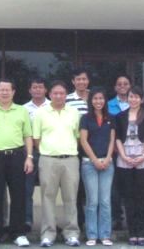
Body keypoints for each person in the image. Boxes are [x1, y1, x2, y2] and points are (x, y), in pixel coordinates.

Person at [0, 78, 34, 248]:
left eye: (7, 89)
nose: (4, 92)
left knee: (18, 195)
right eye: (1, 89)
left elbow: (28, 135)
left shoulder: (22, 111)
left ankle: (18, 233)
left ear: (13, 92)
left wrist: (29, 157)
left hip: (17, 156)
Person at [33, 80, 81, 248]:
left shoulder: (74, 112)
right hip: (48, 159)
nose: (59, 96)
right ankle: (48, 234)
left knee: (71, 197)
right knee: (47, 197)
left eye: (62, 93)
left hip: (70, 160)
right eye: (55, 93)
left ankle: (71, 233)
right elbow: (36, 138)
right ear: (50, 94)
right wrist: (48, 151)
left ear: (66, 95)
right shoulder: (41, 112)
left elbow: (77, 136)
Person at [115, 85, 144, 247]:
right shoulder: (120, 116)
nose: (133, 99)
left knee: (142, 196)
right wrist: (124, 156)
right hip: (124, 158)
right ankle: (132, 233)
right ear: (127, 98)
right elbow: (117, 138)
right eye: (131, 96)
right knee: (129, 197)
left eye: (137, 97)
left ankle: (141, 232)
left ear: (142, 99)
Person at [80, 87, 116, 246]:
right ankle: (92, 235)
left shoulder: (111, 118)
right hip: (89, 163)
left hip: (107, 163)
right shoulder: (85, 118)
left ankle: (105, 235)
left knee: (105, 201)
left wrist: (108, 158)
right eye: (95, 98)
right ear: (91, 101)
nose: (98, 101)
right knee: (92, 201)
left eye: (101, 98)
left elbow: (112, 140)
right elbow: (83, 141)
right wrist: (94, 160)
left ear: (105, 100)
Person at [24, 77, 51, 232]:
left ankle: (49, 222)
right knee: (27, 189)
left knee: (49, 190)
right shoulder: (23, 109)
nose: (38, 90)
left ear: (45, 90)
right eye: (34, 87)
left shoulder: (53, 106)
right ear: (30, 90)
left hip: (49, 151)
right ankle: (27, 221)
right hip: (30, 153)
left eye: (40, 87)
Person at [66, 68, 91, 231]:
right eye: (78, 79)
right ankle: (79, 222)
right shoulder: (67, 99)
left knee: (91, 187)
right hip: (75, 147)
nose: (81, 82)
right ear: (73, 82)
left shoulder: (95, 97)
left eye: (84, 79)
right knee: (76, 186)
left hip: (95, 147)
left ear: (88, 81)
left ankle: (92, 223)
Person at [107, 75, 131, 232]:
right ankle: (117, 218)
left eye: (126, 83)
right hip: (114, 152)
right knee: (114, 188)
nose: (122, 86)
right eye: (119, 84)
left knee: (131, 188)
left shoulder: (136, 103)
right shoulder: (108, 105)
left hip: (134, 154)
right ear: (115, 87)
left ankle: (132, 220)